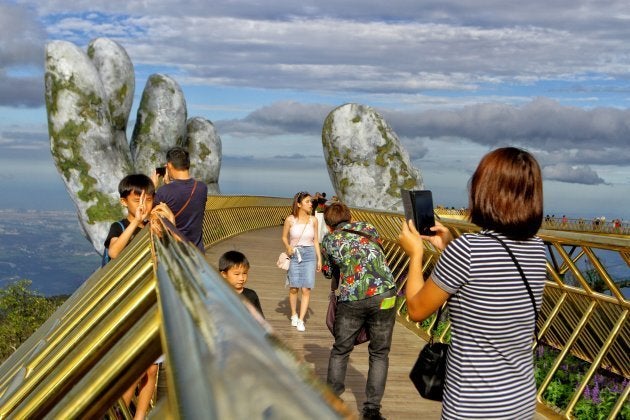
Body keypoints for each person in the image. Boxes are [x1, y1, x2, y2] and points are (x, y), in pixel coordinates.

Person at [398, 147, 546, 419]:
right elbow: (488, 279)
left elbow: (417, 309)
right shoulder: (537, 248)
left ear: (483, 190)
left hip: (472, 404)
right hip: (520, 402)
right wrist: (448, 247)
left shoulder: (467, 250)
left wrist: (415, 254)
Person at [104, 174, 174, 420]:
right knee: (133, 371)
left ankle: (140, 416)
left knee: (152, 369)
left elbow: (173, 255)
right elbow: (114, 252)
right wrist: (136, 223)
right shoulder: (120, 227)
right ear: (124, 202)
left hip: (152, 303)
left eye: (149, 198)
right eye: (137, 199)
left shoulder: (156, 226)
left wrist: (170, 224)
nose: (144, 204)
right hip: (125, 306)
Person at [321, 202, 396, 420]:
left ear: (328, 225)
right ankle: (372, 410)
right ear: (350, 217)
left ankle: (332, 401)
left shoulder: (330, 239)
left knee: (341, 350)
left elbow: (328, 272)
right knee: (380, 353)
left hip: (353, 296)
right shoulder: (369, 228)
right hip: (386, 294)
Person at [153, 146, 208, 252]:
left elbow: (149, 214)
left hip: (176, 252)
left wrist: (153, 187)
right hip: (197, 250)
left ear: (168, 165)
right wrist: (169, 185)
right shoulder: (202, 187)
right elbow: (183, 196)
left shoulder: (164, 191)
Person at [281, 191, 322, 332]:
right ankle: (293, 314)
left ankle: (301, 319)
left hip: (310, 254)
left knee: (306, 288)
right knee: (294, 287)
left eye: (311, 201)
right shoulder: (290, 220)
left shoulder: (313, 220)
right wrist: (288, 247)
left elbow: (316, 240)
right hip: (295, 253)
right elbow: (284, 237)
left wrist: (319, 259)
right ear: (298, 204)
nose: (311, 204)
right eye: (307, 201)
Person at [219, 250, 264, 317]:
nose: (241, 278)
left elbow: (260, 320)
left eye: (244, 273)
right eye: (237, 274)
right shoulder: (217, 295)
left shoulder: (251, 295)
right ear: (224, 274)